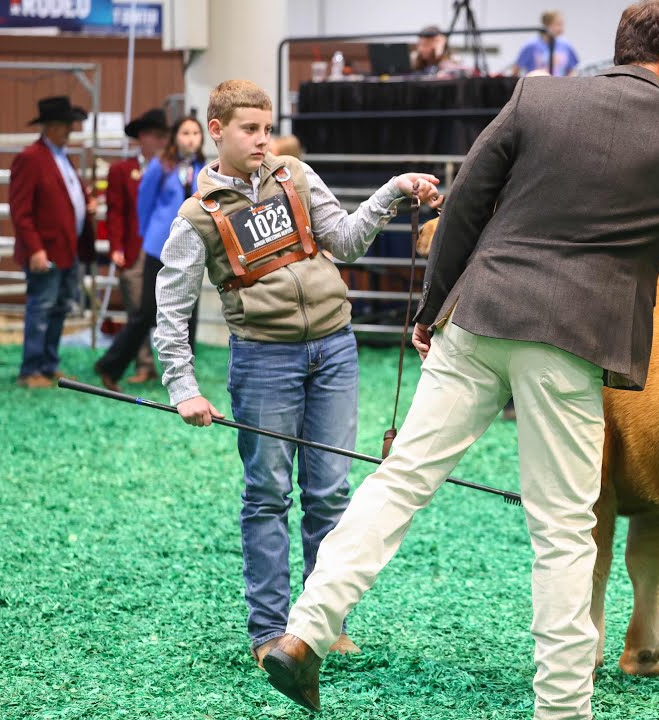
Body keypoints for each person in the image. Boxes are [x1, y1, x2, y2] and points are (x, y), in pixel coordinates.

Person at [259, 2, 659, 718]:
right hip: (569, 343)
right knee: (562, 531)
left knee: (399, 483)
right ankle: (562, 708)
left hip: (479, 315)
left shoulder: (539, 94)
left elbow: (461, 205)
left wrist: (432, 310)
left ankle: (303, 632)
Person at [152, 79, 443, 669]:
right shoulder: (196, 216)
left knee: (330, 492)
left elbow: (346, 242)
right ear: (217, 131)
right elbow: (171, 305)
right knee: (266, 495)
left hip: (335, 347)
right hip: (263, 359)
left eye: (266, 129)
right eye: (249, 130)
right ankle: (268, 632)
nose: (262, 141)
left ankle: (317, 625)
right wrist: (182, 386)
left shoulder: (297, 177)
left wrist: (392, 191)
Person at [95, 115, 207, 392]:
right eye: (185, 133)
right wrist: (150, 235)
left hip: (191, 250)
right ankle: (110, 365)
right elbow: (143, 203)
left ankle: (184, 375)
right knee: (145, 312)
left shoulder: (203, 170)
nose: (191, 138)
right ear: (175, 138)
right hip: (159, 247)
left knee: (188, 312)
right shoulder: (161, 166)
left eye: (196, 133)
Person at [10, 96, 98, 389]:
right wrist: (35, 249)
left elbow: (68, 196)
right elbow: (21, 211)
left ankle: (47, 365)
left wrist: (86, 204)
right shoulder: (31, 158)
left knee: (57, 308)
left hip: (66, 248)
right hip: (46, 250)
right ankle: (30, 369)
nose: (68, 130)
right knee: (42, 308)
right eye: (63, 125)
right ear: (49, 126)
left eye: (68, 125)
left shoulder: (60, 156)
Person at [103, 108, 168, 385]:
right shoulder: (122, 170)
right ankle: (143, 364)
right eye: (155, 135)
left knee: (164, 307)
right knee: (138, 308)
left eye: (163, 136)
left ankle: (166, 365)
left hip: (166, 247)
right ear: (142, 137)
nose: (161, 141)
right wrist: (116, 245)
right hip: (135, 247)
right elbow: (115, 211)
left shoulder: (172, 169)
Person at [515, 10, 581, 76]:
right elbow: (516, 70)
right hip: (536, 84)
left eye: (562, 25)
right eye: (558, 24)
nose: (561, 29)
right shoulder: (531, 45)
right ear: (547, 25)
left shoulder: (566, 45)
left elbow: (572, 70)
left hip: (560, 84)